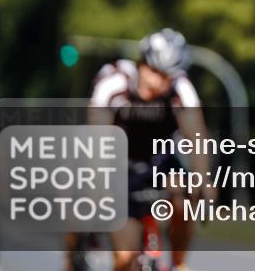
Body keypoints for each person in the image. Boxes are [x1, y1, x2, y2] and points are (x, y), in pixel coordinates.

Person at [72, 28, 215, 271]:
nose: (159, 83)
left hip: (158, 161)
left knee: (184, 194)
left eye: (167, 76)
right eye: (155, 72)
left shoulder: (181, 89)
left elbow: (197, 137)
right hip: (117, 165)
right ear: (142, 63)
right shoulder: (114, 83)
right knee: (125, 259)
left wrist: (205, 183)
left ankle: (178, 263)